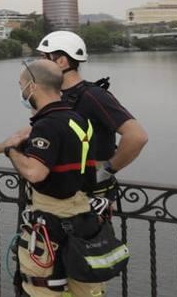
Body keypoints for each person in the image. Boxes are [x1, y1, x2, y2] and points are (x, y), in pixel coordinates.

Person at [0, 58, 110, 297]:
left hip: (50, 222)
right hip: (82, 215)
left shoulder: (47, 124)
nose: (21, 91)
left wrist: (13, 149)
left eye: (21, 84)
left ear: (33, 87)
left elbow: (36, 170)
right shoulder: (79, 120)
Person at [35, 31, 149, 201]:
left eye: (43, 57)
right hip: (61, 189)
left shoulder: (93, 95)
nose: (38, 64)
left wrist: (106, 170)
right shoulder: (56, 95)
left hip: (87, 196)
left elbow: (137, 136)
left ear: (61, 61)